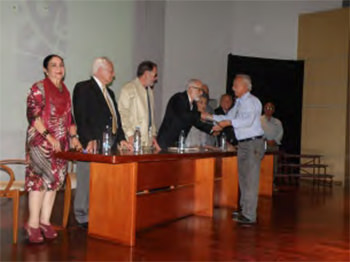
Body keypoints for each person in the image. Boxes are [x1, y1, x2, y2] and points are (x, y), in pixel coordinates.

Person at [25, 54, 82, 243]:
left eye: (61, 65)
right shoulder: (38, 88)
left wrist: (74, 137)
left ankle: (44, 221)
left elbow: (69, 118)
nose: (59, 68)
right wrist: (49, 137)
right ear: (45, 69)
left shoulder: (65, 91)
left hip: (61, 143)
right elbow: (33, 117)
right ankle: (32, 224)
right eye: (54, 65)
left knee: (54, 183)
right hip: (40, 142)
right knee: (39, 182)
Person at [72, 57, 132, 229]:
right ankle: (82, 216)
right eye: (111, 71)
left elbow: (116, 120)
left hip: (109, 144)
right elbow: (81, 117)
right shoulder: (84, 88)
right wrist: (88, 139)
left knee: (103, 181)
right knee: (86, 178)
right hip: (92, 143)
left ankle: (99, 212)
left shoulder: (110, 93)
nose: (113, 75)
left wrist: (121, 138)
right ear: (99, 70)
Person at [202, 74, 264, 224]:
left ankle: (250, 215)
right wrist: (210, 117)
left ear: (244, 86)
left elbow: (246, 121)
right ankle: (244, 210)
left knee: (251, 179)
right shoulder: (239, 103)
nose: (233, 88)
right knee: (243, 178)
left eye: (235, 85)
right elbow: (227, 116)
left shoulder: (252, 101)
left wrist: (226, 123)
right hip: (243, 144)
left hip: (253, 143)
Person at [157, 79, 220, 149]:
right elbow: (184, 115)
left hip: (178, 143)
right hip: (165, 141)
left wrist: (211, 129)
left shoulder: (193, 105)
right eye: (199, 90)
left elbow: (196, 121)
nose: (201, 93)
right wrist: (201, 115)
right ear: (190, 89)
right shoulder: (179, 98)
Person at [118, 61, 160, 150]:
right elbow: (122, 114)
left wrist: (153, 135)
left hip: (146, 144)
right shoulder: (128, 88)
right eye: (154, 75)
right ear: (146, 74)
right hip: (132, 144)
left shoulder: (149, 91)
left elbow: (150, 117)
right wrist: (130, 135)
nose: (156, 78)